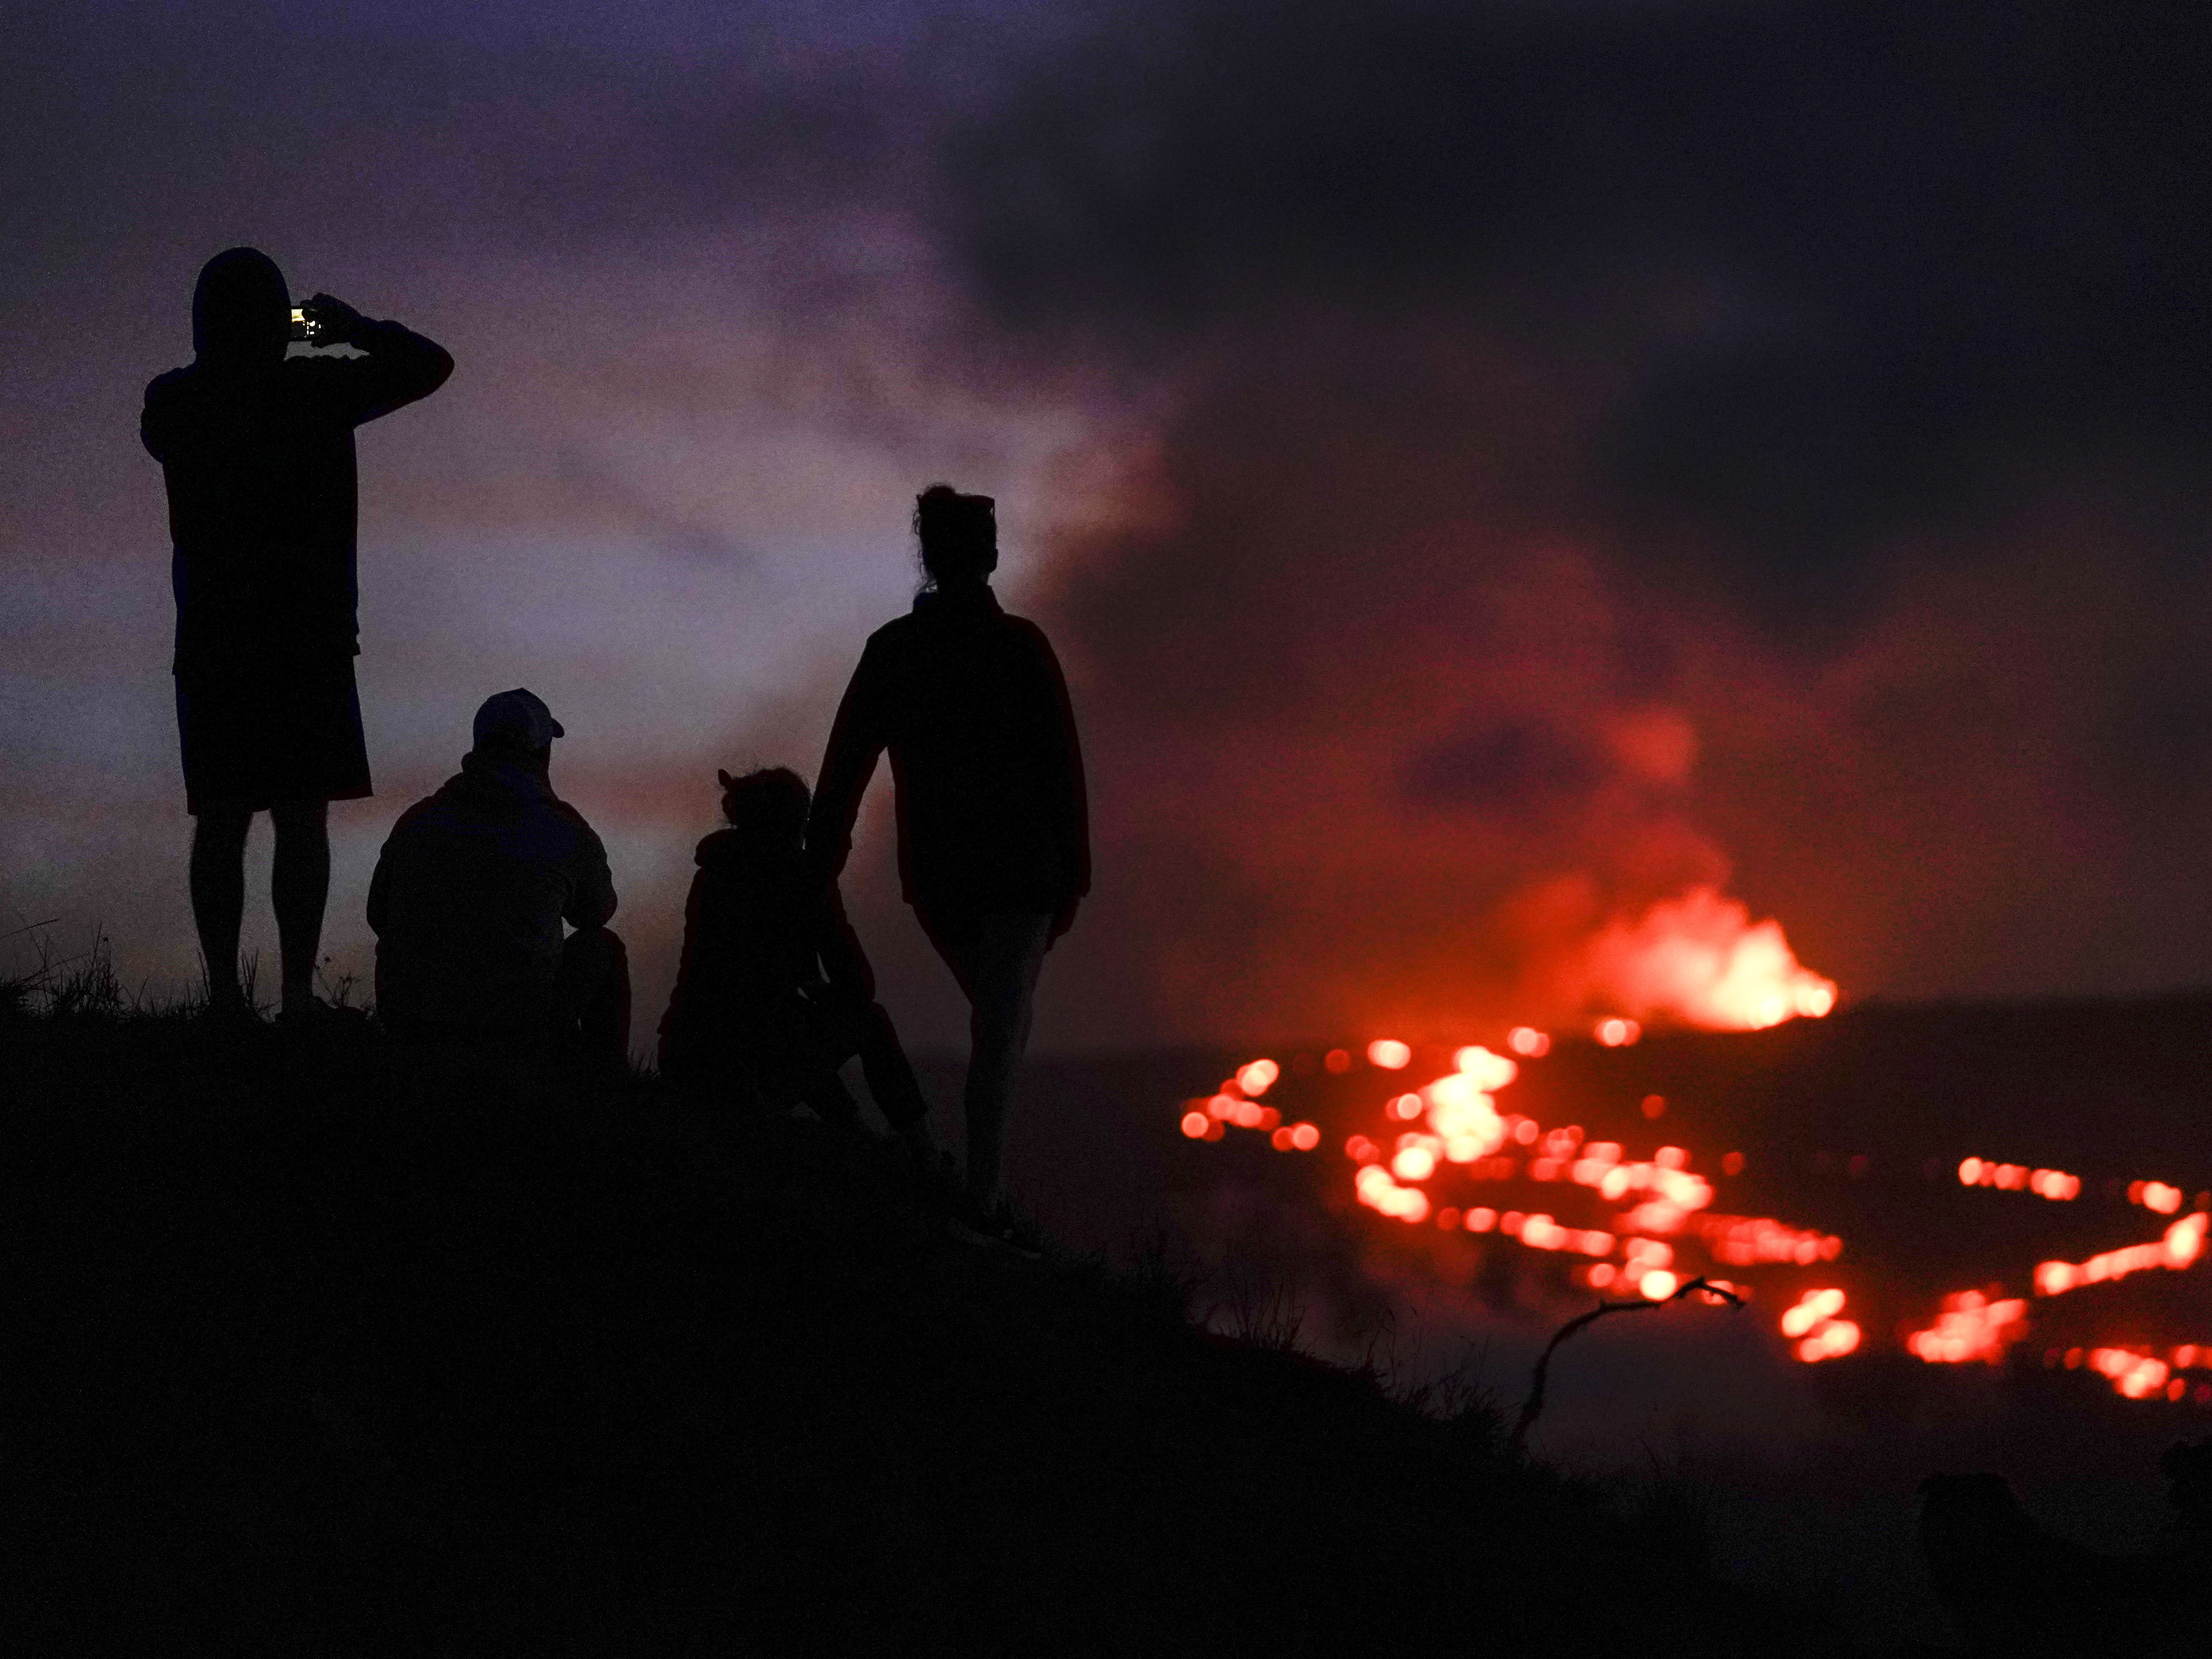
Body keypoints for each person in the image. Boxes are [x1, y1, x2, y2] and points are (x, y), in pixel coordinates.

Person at [141, 246, 453, 1020]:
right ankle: (291, 995)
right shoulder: (315, 389)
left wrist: (279, 339)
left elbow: (197, 396)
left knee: (221, 817)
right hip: (308, 638)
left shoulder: (176, 402)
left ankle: (224, 998)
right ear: (277, 317)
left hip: (215, 639)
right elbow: (428, 363)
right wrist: (339, 327)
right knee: (300, 817)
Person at [809, 485, 1088, 1232]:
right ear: (984, 555)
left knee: (996, 1022)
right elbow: (1061, 763)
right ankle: (981, 1200)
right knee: (1001, 1024)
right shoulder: (1015, 645)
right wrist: (1074, 871)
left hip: (946, 876)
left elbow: (845, 764)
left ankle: (978, 1193)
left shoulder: (895, 650)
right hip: (1012, 873)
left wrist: (819, 857)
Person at [659, 767, 934, 1149]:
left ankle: (853, 1129)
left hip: (684, 1057)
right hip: (740, 1072)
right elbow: (859, 988)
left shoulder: (715, 871)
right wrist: (819, 987)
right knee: (866, 1021)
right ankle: (919, 1145)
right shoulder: (802, 878)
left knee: (789, 1021)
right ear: (794, 823)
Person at [367, 689, 630, 1067]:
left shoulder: (419, 820)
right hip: (512, 1034)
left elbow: (378, 916)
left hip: (411, 1027)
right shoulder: (561, 828)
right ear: (541, 753)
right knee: (603, 947)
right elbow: (598, 913)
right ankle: (604, 1087)